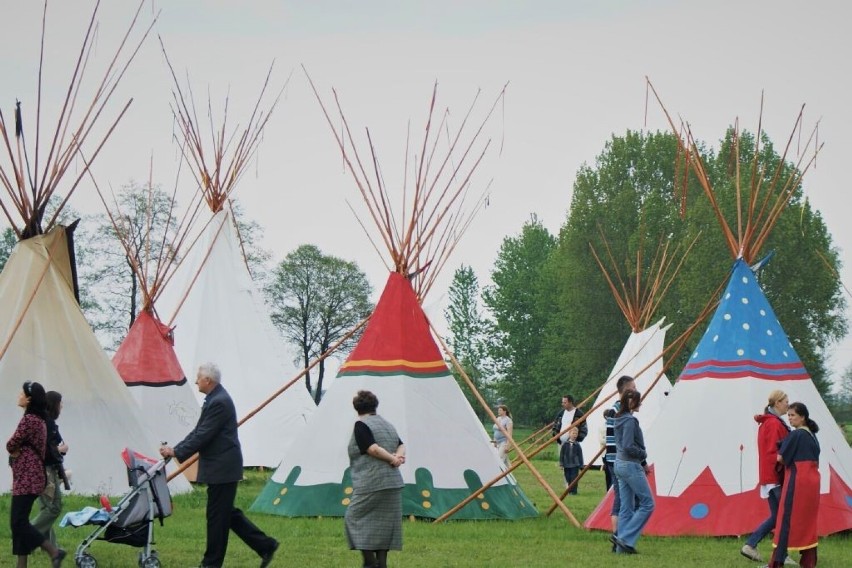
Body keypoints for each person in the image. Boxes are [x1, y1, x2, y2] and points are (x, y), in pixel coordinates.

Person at [159, 363, 278, 568]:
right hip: (222, 467)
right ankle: (265, 545)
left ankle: (211, 563)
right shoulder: (215, 400)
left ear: (208, 380)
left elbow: (204, 435)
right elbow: (199, 432)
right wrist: (177, 449)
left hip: (223, 468)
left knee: (217, 517)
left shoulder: (219, 402)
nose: (196, 381)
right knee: (225, 513)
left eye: (198, 378)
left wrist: (176, 451)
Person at [6, 381, 66, 568]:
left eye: (21, 393)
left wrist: (15, 450)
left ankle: (53, 551)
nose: (19, 396)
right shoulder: (38, 420)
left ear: (29, 399)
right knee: (19, 522)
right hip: (31, 476)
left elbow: (10, 444)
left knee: (19, 522)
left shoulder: (30, 419)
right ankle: (22, 564)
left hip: (27, 477)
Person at [345, 390, 405, 568]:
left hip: (371, 482)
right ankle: (382, 564)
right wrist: (399, 457)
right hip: (393, 482)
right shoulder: (387, 425)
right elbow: (401, 444)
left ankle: (370, 562)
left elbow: (372, 449)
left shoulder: (361, 425)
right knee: (383, 526)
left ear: (356, 408)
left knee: (353, 517)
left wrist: (393, 459)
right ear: (375, 406)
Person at [741, 390, 793, 564]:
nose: (788, 404)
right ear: (777, 403)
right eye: (786, 401)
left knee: (778, 516)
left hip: (771, 475)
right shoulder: (773, 424)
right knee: (783, 516)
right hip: (775, 475)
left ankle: (760, 547)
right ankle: (769, 550)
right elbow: (773, 452)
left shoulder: (772, 422)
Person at [766, 402, 821, 568]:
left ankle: (776, 563)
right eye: (788, 415)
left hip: (798, 481)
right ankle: (809, 562)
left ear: (802, 417)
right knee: (807, 522)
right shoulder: (812, 434)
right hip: (812, 482)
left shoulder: (797, 434)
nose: (789, 418)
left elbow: (781, 458)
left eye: (793, 415)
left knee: (786, 520)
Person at [612, 389, 654, 555]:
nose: (640, 404)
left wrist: (643, 463)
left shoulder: (618, 418)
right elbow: (629, 446)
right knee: (648, 504)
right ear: (631, 402)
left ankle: (619, 549)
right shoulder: (630, 421)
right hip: (630, 465)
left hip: (619, 464)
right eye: (638, 401)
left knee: (626, 507)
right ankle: (625, 539)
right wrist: (643, 455)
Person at [31, 391, 68, 550]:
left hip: (43, 469)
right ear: (55, 404)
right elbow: (44, 450)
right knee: (53, 508)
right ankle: (25, 536)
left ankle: (51, 547)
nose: (62, 406)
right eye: (60, 403)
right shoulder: (47, 423)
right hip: (44, 470)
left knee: (47, 508)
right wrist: (60, 450)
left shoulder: (43, 421)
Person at [604, 375, 638, 544]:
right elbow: (620, 440)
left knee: (625, 497)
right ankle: (617, 534)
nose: (636, 390)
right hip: (616, 459)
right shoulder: (617, 410)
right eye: (633, 387)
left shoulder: (619, 410)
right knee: (620, 497)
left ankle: (621, 533)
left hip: (617, 459)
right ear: (625, 390)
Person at [559, 427, 584, 494]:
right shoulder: (565, 444)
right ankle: (570, 490)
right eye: (573, 433)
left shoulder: (577, 445)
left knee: (574, 478)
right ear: (569, 434)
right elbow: (562, 454)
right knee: (568, 477)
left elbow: (580, 455)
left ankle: (574, 491)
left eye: (576, 434)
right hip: (566, 464)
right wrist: (561, 464)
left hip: (575, 465)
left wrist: (581, 465)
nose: (574, 435)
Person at [492, 405, 513, 469]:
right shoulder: (498, 419)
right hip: (497, 442)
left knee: (499, 459)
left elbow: (509, 433)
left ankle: (499, 474)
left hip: (504, 442)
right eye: (498, 410)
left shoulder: (508, 420)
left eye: (500, 410)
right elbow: (495, 431)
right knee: (505, 461)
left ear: (505, 411)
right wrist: (494, 441)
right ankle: (509, 471)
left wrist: (508, 445)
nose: (498, 411)